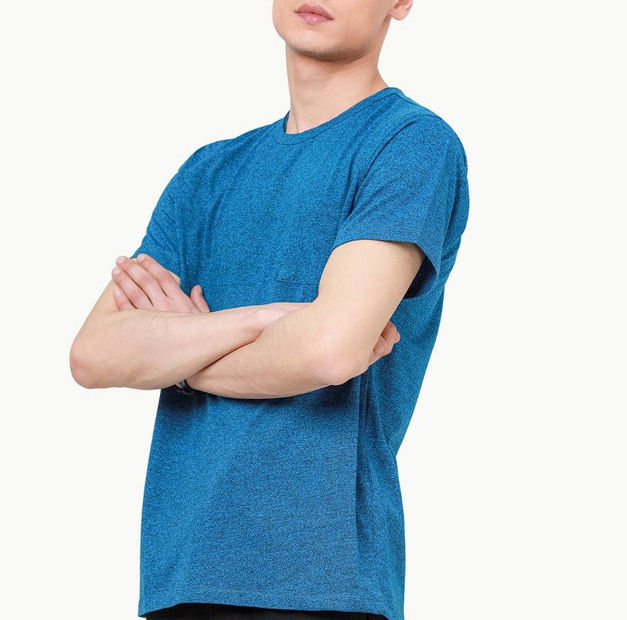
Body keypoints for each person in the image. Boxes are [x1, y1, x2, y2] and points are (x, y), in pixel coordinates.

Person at [69, 1, 470, 619]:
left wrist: (179, 356)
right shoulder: (208, 172)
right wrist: (257, 322)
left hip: (322, 577)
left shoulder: (410, 144)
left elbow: (328, 351)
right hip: (181, 574)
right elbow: (94, 356)